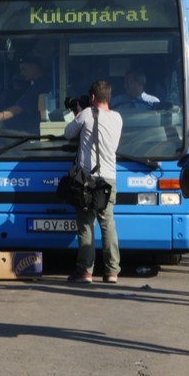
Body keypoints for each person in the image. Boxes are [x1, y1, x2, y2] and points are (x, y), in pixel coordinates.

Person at [64, 81, 122, 284]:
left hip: (87, 181)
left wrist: (78, 113)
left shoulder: (86, 114)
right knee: (108, 224)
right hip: (109, 179)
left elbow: (68, 133)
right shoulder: (117, 118)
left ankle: (85, 272)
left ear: (92, 98)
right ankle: (112, 271)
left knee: (86, 225)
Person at [0, 56, 49, 137]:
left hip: (35, 132)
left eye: (24, 69)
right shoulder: (38, 84)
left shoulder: (40, 85)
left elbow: (17, 109)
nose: (21, 73)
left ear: (34, 67)